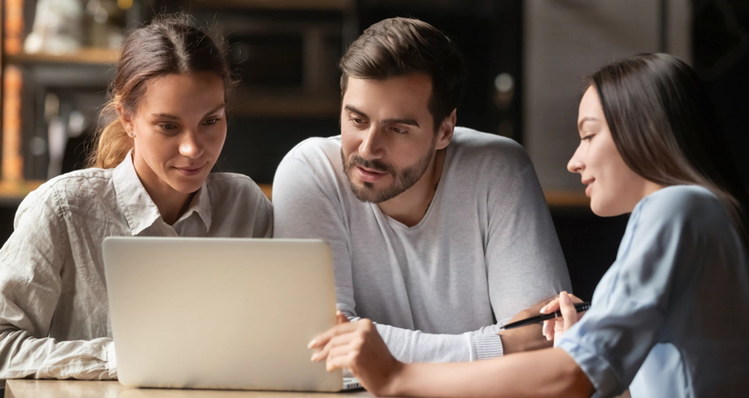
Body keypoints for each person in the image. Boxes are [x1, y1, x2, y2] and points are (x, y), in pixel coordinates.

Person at [308, 53, 749, 397]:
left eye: (589, 134)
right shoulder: (704, 215)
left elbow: (571, 380)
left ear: (644, 129)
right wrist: (576, 352)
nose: (575, 161)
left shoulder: (675, 208)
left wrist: (398, 377)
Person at [0, 15, 272, 388]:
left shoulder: (245, 205)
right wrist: (119, 356)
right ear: (127, 118)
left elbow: (272, 340)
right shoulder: (61, 211)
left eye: (210, 121)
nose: (193, 149)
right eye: (168, 126)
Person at [273, 17, 571, 363]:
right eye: (357, 120)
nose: (368, 149)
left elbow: (545, 342)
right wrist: (500, 345)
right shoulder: (310, 172)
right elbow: (319, 349)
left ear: (445, 131)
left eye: (397, 129)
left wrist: (370, 349)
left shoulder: (499, 169)